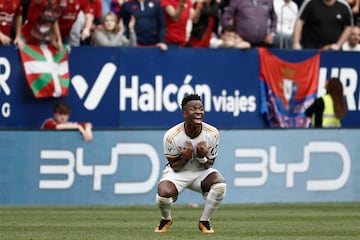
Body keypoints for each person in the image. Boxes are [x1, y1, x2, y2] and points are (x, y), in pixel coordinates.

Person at [154, 93, 226, 233]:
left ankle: (205, 221)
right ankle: (166, 219)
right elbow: (174, 165)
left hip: (200, 171)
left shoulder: (212, 133)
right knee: (163, 193)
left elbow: (209, 164)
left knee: (220, 185)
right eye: (193, 109)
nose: (198, 112)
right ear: (184, 113)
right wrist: (185, 157)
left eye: (201, 108)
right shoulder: (171, 136)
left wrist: (201, 157)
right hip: (178, 172)